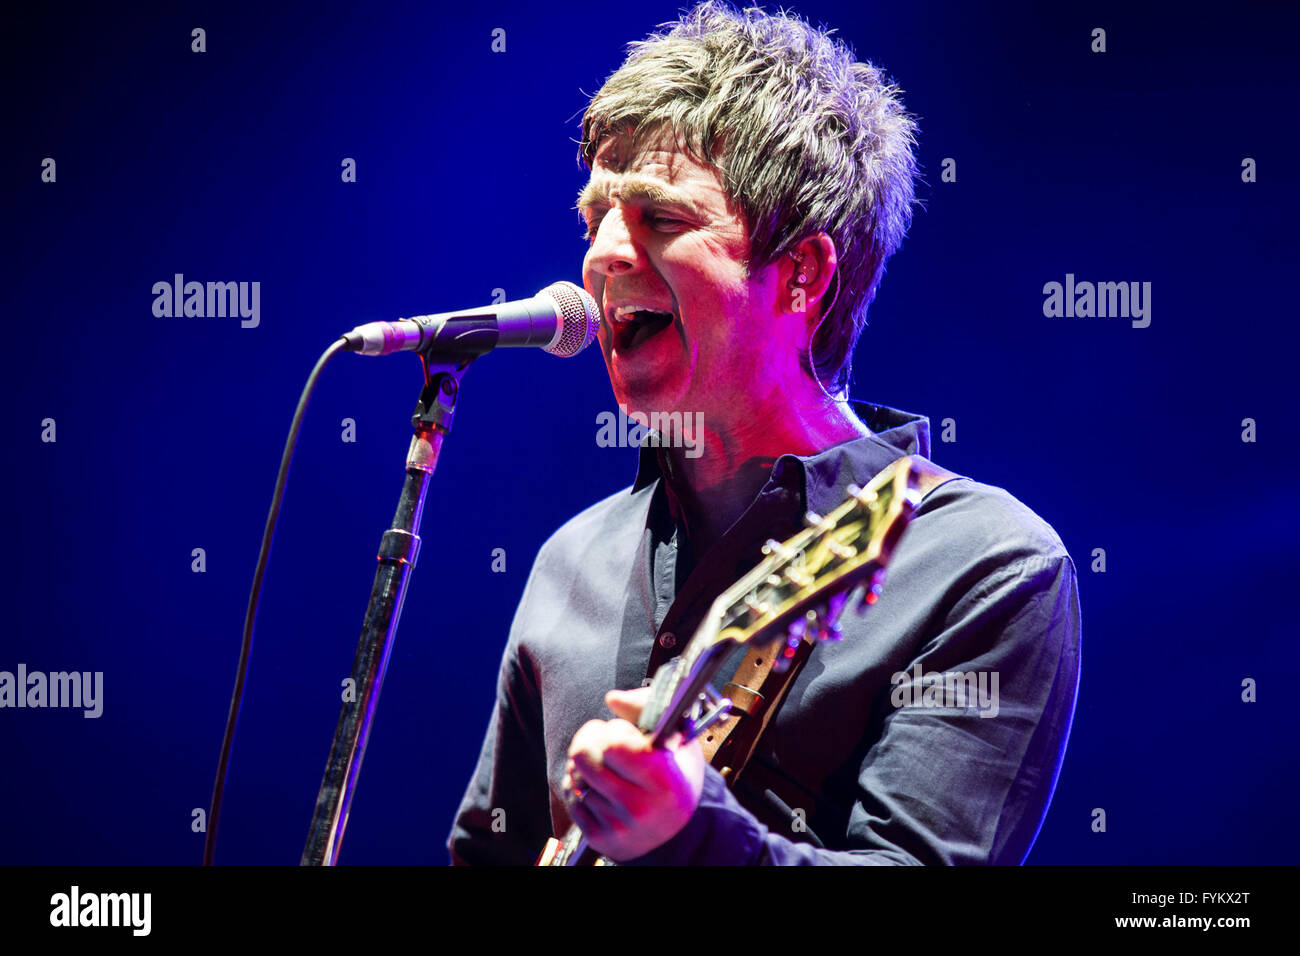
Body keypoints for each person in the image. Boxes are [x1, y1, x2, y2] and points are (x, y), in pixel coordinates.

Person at [448, 1, 1081, 865]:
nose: (602, 253)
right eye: (595, 216)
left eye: (661, 217)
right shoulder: (574, 560)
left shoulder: (983, 564)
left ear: (803, 274)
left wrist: (694, 836)